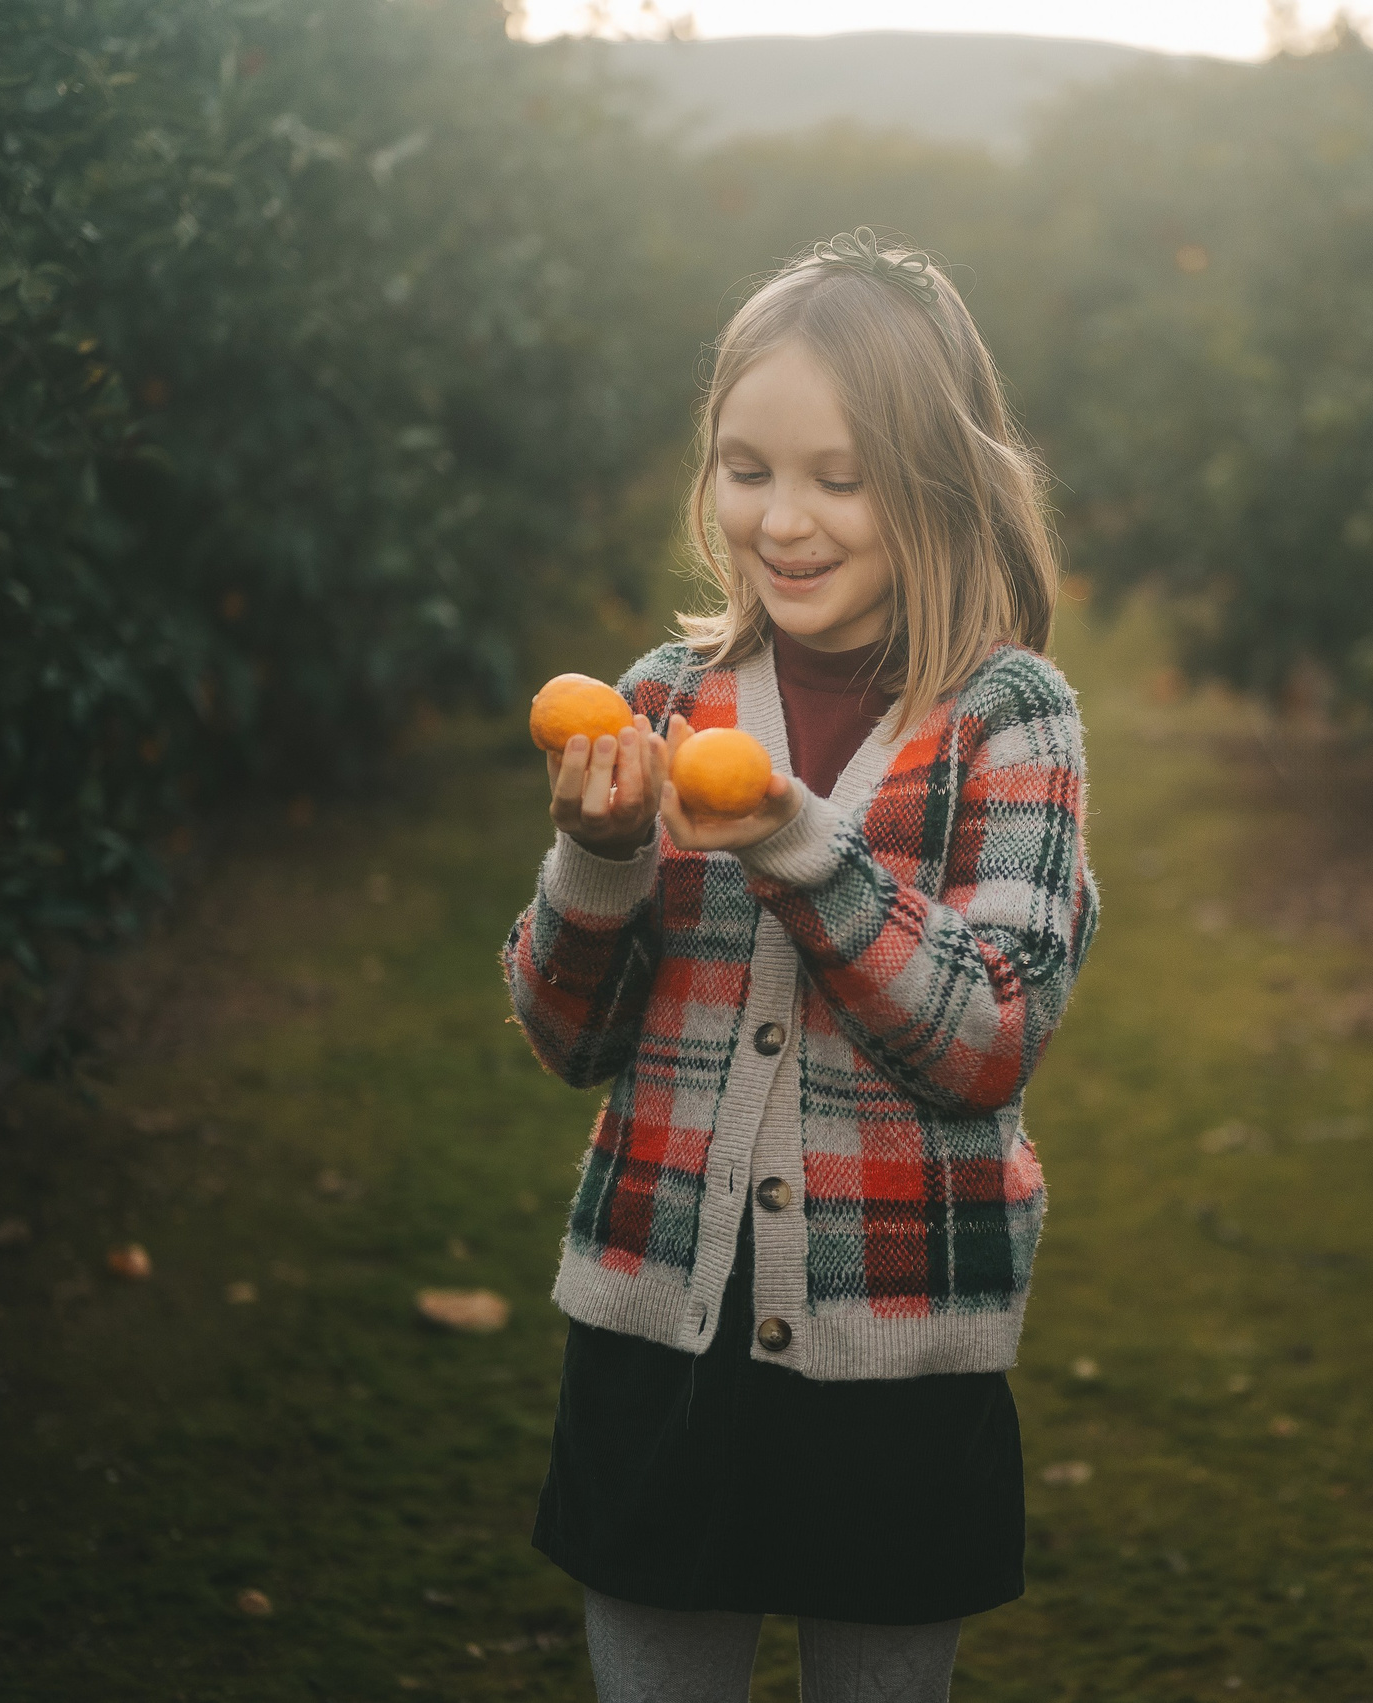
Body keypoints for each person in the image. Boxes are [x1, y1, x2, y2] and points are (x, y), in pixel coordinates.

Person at [502, 230, 1097, 1703]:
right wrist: (597, 864)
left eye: (842, 475)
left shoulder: (1007, 719)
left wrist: (799, 842)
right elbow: (562, 1032)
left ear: (936, 481)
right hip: (661, 1327)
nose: (787, 517)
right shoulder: (661, 695)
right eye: (747, 466)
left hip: (897, 1341)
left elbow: (990, 1037)